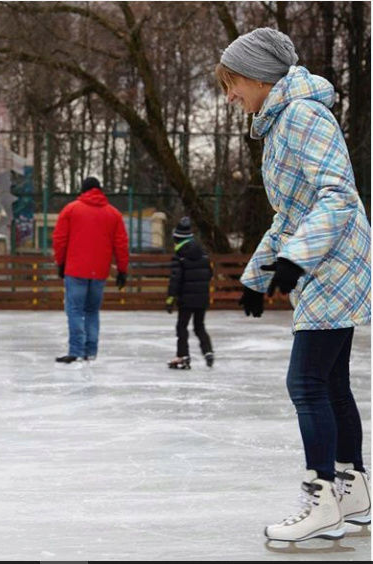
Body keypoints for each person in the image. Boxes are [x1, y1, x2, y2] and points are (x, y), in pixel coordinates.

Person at [216, 27, 371, 543]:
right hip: (328, 258)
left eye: (232, 82)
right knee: (329, 383)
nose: (230, 94)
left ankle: (322, 496)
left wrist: (296, 262)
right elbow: (291, 215)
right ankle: (353, 490)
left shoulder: (303, 115)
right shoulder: (283, 122)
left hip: (335, 261)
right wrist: (260, 277)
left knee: (305, 382)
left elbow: (337, 197)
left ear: (259, 76)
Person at [52, 176, 129, 364]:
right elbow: (121, 244)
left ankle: (76, 350)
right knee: (92, 311)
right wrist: (122, 270)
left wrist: (61, 263)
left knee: (75, 310)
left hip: (75, 269)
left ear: (82, 190)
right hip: (99, 270)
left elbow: (60, 239)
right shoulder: (113, 214)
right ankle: (90, 351)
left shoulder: (71, 210)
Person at [165, 217, 214, 370]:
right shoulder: (203, 253)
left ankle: (183, 356)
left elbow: (175, 279)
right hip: (202, 298)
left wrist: (170, 298)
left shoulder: (180, 255)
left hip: (186, 299)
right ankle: (208, 352)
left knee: (182, 327)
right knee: (199, 326)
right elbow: (209, 274)